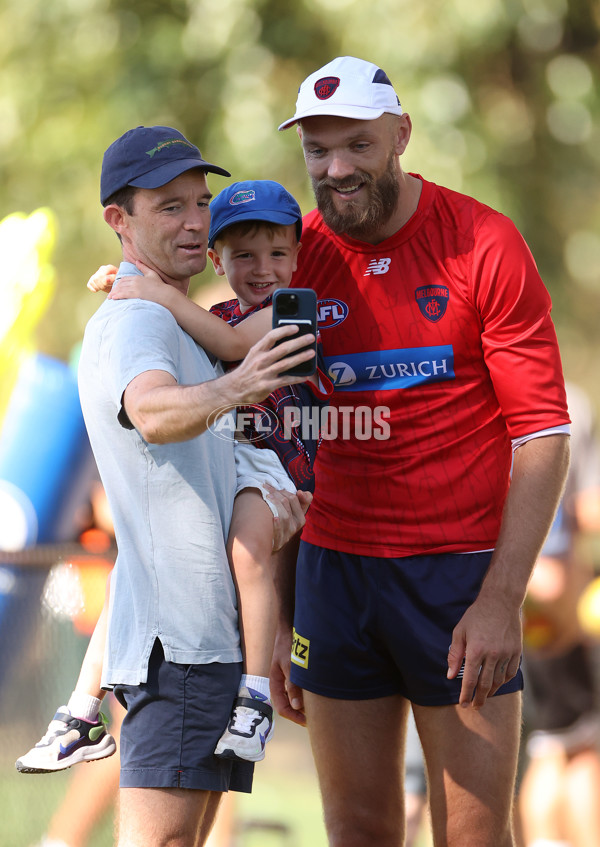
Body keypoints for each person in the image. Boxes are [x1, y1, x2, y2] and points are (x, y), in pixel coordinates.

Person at [270, 56, 572, 847]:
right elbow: (262, 435)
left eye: (357, 146)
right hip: (333, 575)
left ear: (401, 135)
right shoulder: (291, 256)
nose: (334, 169)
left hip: (457, 578)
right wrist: (277, 609)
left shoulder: (483, 243)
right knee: (359, 831)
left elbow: (542, 434)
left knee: (472, 836)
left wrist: (503, 596)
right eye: (317, 150)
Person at [35, 125, 314, 847]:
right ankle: (77, 709)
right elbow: (153, 412)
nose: (194, 221)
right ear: (118, 221)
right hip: (180, 651)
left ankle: (78, 708)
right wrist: (242, 385)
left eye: (200, 202)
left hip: (205, 644)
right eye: (169, 206)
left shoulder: (175, 315)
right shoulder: (140, 324)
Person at [518, 382, 600, 847]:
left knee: (551, 741)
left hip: (521, 598)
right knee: (569, 744)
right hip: (553, 600)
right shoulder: (566, 401)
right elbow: (588, 510)